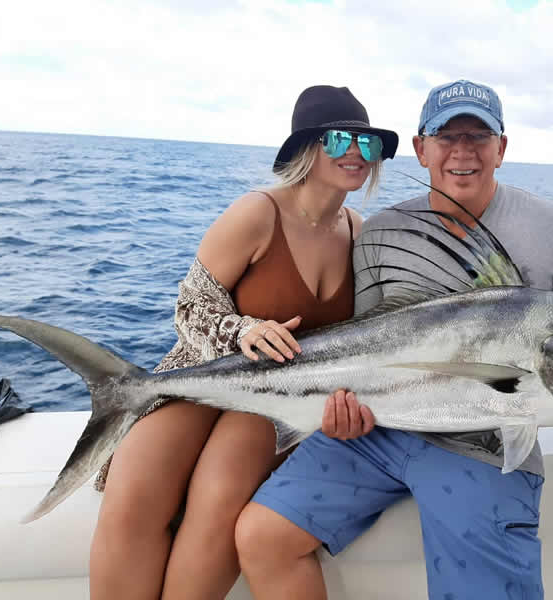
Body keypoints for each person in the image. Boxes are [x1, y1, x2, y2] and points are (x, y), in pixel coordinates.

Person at [234, 79, 553, 600]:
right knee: (262, 537)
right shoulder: (381, 232)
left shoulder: (550, 224)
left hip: (488, 443)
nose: (462, 151)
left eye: (478, 137)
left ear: (502, 149)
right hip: (380, 432)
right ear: (420, 148)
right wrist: (346, 409)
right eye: (446, 136)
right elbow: (366, 346)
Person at [88, 85, 398, 600]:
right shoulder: (256, 213)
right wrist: (244, 330)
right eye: (342, 138)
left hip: (275, 395)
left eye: (368, 145)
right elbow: (189, 309)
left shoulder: (360, 234)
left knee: (217, 504)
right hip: (197, 375)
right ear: (306, 147)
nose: (356, 153)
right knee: (133, 496)